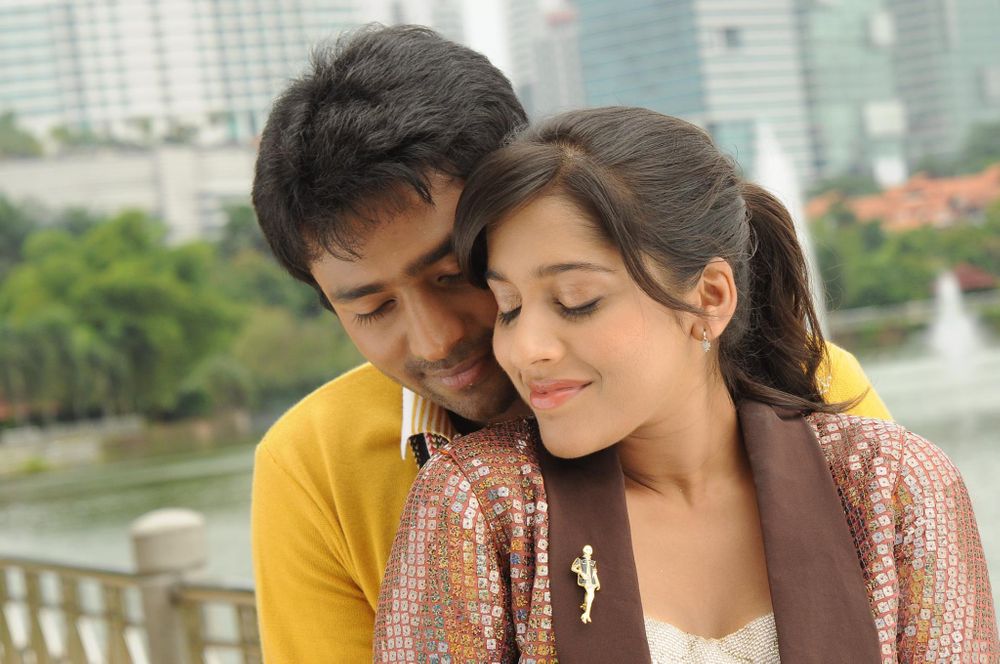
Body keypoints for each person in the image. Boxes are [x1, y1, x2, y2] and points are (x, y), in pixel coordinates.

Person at [250, 26, 892, 661]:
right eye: (372, 309)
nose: (435, 339)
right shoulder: (317, 466)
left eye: (454, 275)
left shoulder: (813, 400)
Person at [373, 107, 998, 662]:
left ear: (709, 298)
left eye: (576, 300)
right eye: (508, 307)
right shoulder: (479, 507)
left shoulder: (890, 486)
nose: (524, 347)